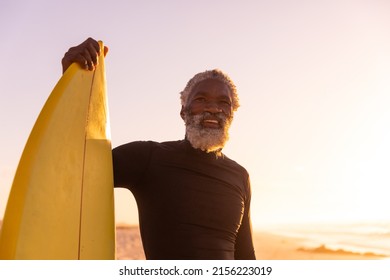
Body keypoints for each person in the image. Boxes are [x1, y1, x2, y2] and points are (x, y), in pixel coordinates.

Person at [62, 38, 256, 260]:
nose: (213, 108)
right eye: (201, 99)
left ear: (232, 114)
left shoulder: (240, 175)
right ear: (184, 111)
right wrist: (73, 81)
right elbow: (77, 165)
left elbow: (246, 255)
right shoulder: (149, 158)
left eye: (224, 102)